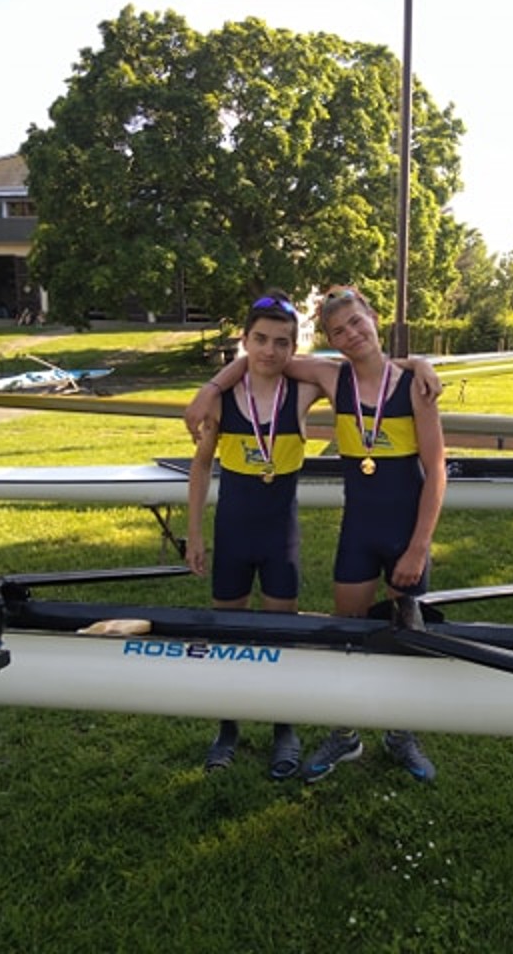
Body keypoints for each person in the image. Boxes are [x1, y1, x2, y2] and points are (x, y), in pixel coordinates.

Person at [186, 285, 446, 783]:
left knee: (406, 638)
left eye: (357, 322)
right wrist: (211, 387)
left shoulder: (415, 386)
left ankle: (402, 735)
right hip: (357, 535)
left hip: (406, 537)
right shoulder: (329, 377)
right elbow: (264, 360)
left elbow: (437, 470)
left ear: (373, 317)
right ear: (329, 340)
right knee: (345, 637)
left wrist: (420, 362)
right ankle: (344, 734)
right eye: (338, 331)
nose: (351, 334)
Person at [185, 289, 322, 780]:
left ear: (294, 348)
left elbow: (361, 367)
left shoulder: (303, 392)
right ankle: (228, 728)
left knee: (282, 634)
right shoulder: (222, 401)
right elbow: (202, 467)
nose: (269, 350)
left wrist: (418, 364)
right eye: (260, 339)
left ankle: (284, 727)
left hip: (280, 536)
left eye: (282, 342)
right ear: (244, 341)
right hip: (234, 534)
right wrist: (194, 532)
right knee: (229, 634)